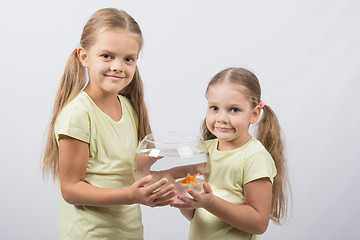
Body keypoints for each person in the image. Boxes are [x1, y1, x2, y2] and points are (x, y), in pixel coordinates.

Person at [42, 8, 176, 239]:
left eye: (128, 59)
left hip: (128, 233)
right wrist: (131, 197)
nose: (118, 66)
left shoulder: (129, 108)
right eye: (107, 56)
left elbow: (125, 171)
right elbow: (71, 189)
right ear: (84, 56)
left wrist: (178, 172)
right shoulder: (78, 114)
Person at [171, 67, 289, 239]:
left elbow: (258, 223)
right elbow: (196, 217)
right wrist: (185, 200)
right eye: (214, 108)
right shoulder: (204, 150)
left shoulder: (254, 157)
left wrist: (210, 202)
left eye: (234, 110)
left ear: (254, 114)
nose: (222, 118)